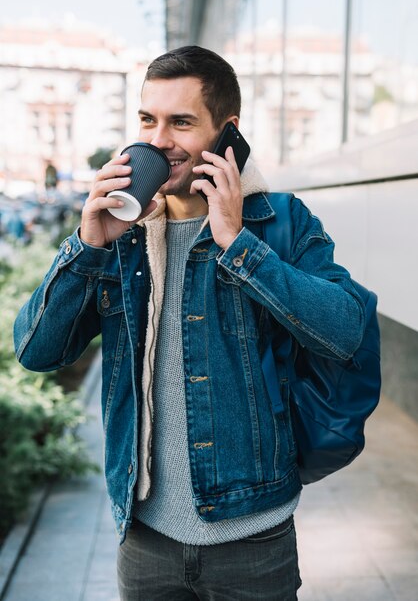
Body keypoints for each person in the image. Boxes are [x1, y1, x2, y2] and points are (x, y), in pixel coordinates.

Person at [14, 46, 365, 600]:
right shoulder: (119, 237)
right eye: (148, 120)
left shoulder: (281, 221)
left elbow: (346, 331)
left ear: (227, 133)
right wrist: (85, 245)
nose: (158, 141)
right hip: (146, 543)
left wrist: (240, 246)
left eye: (181, 122)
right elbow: (37, 352)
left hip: (253, 541)